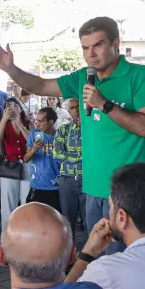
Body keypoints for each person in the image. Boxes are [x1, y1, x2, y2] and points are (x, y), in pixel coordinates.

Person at [0, 16, 145, 233]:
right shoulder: (83, 77)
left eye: (98, 45)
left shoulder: (141, 76)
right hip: (92, 188)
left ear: (116, 44)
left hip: (130, 193)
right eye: (85, 48)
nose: (90, 54)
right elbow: (42, 85)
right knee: (98, 258)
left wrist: (104, 104)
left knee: (125, 262)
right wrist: (11, 69)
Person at [0, 98, 30, 228]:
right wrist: (4, 119)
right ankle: (7, 235)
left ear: (20, 108)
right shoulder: (4, 124)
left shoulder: (28, 123)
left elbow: (33, 140)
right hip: (10, 166)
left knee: (27, 200)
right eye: (9, 107)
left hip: (27, 165)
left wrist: (19, 124)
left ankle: (27, 232)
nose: (13, 109)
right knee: (8, 202)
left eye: (15, 106)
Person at [53, 98, 86, 234]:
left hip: (88, 180)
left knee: (90, 222)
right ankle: (70, 253)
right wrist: (81, 157)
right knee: (67, 222)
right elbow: (57, 154)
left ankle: (90, 255)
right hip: (67, 180)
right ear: (68, 111)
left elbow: (96, 152)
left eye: (79, 106)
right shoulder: (64, 129)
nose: (76, 110)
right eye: (72, 108)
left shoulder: (93, 128)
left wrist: (71, 156)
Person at [24, 107, 60, 210]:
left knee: (53, 220)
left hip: (55, 187)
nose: (37, 124)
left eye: (40, 121)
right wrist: (33, 150)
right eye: (36, 120)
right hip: (37, 186)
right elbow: (26, 159)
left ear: (51, 122)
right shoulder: (34, 134)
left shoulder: (59, 136)